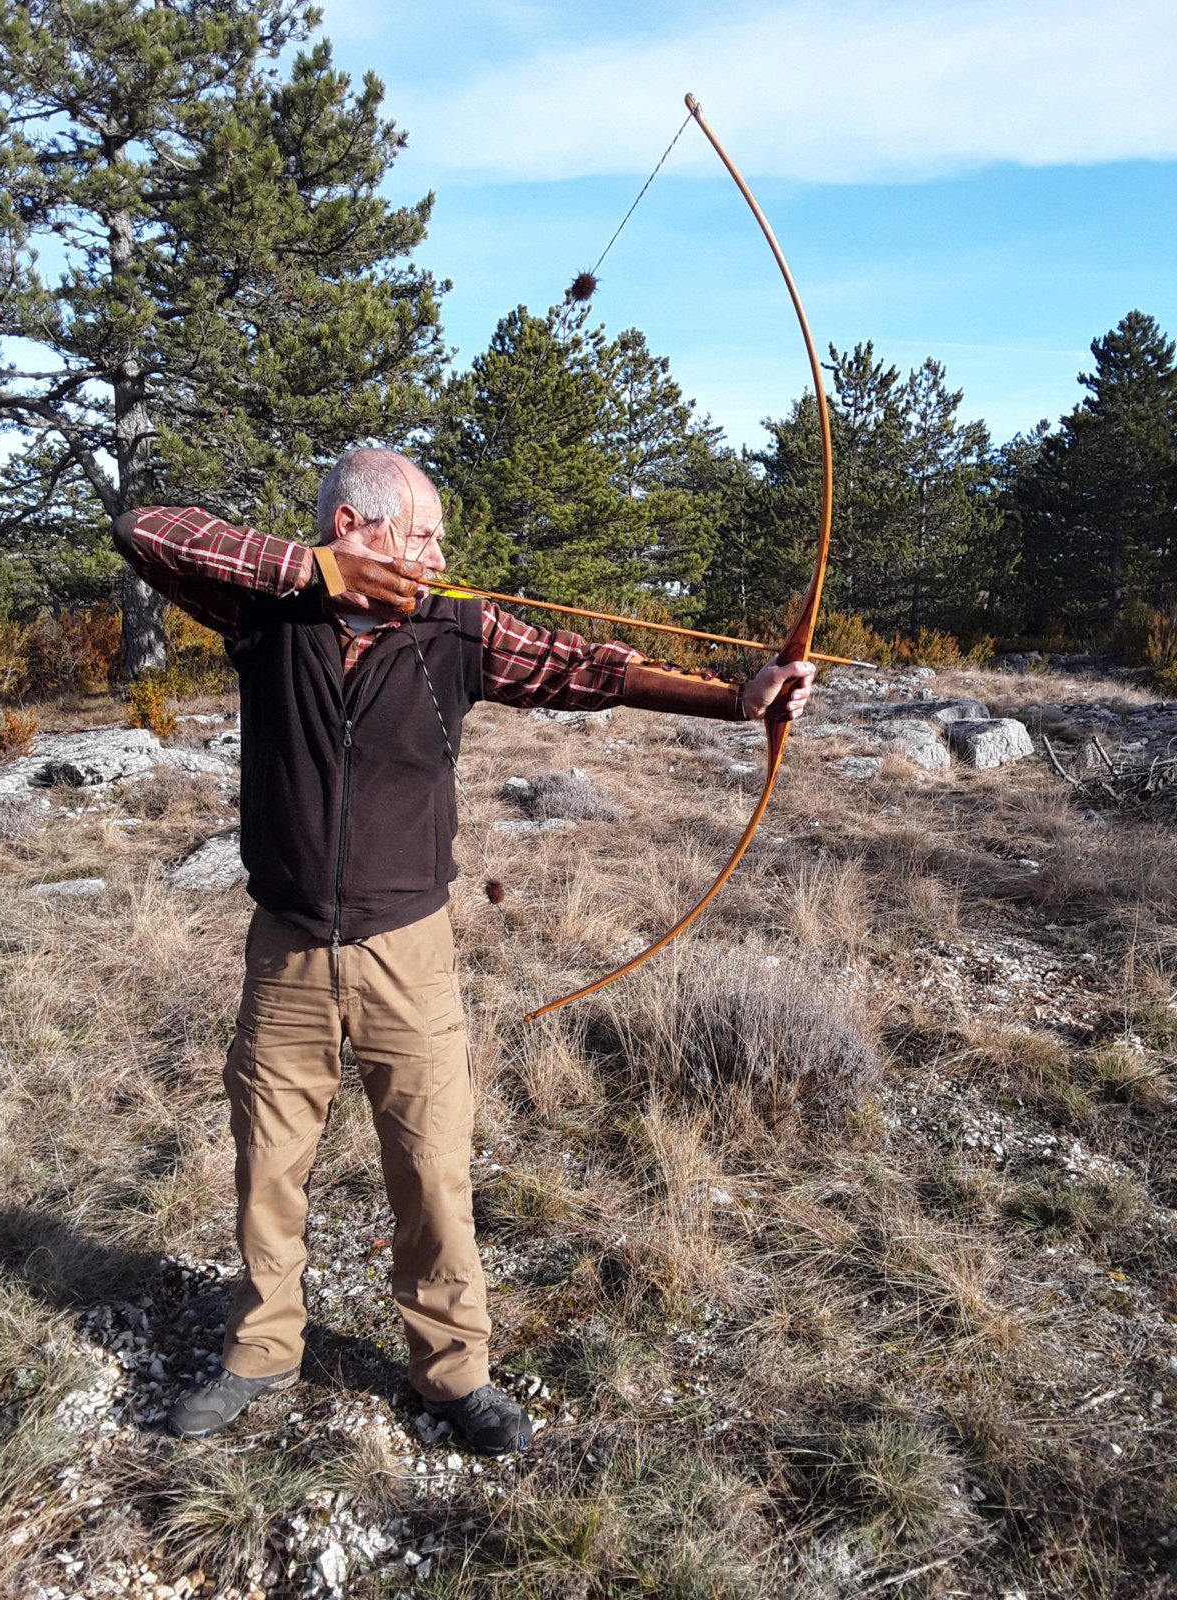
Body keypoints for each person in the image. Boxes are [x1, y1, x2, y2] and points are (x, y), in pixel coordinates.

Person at [111, 448, 815, 1455]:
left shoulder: (456, 630)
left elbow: (587, 668)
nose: (442, 555)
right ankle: (262, 1349)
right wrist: (317, 574)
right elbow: (146, 531)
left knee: (432, 1168)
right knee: (268, 1161)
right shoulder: (266, 608)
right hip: (288, 950)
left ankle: (450, 1374)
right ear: (359, 528)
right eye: (425, 534)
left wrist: (734, 700)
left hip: (410, 949)